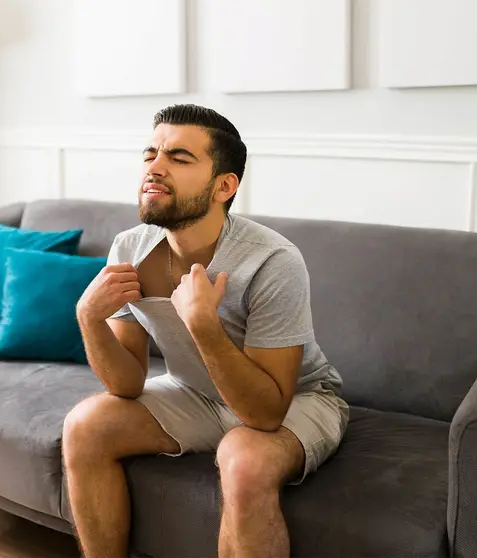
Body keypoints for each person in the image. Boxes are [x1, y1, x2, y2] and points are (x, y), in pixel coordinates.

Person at [64, 103, 348, 558]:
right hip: (194, 391)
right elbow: (126, 383)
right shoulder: (129, 247)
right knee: (85, 425)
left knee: (245, 461)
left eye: (179, 158)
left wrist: (204, 327)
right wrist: (89, 319)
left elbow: (265, 414)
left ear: (224, 186)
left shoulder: (273, 261)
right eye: (150, 153)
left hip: (298, 399)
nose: (154, 168)